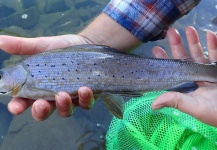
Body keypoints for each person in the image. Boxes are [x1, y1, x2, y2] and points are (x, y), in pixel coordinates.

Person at [1, 0, 209, 123]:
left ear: (15, 71)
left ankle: (207, 73)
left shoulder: (29, 74)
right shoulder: (25, 80)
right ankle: (207, 73)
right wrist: (93, 41)